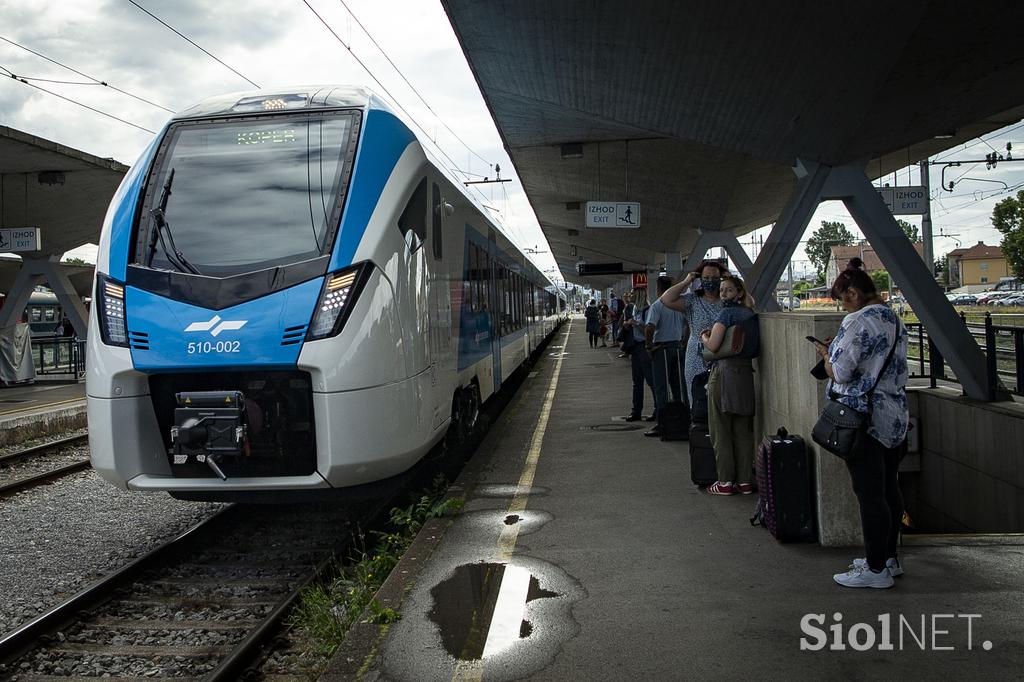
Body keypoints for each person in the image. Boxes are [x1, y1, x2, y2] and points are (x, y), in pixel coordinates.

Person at [812, 257, 909, 589]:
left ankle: (876, 568)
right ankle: (889, 558)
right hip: (894, 415)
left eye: (842, 298)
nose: (842, 306)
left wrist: (827, 358)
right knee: (889, 489)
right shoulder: (893, 318)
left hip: (863, 420)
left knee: (869, 494)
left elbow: (841, 371)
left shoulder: (858, 321)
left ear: (852, 293)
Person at [699, 275, 759, 496]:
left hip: (724, 374)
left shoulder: (726, 314)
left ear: (739, 292)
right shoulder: (750, 315)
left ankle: (724, 481)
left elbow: (714, 346)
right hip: (745, 374)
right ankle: (744, 481)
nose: (723, 294)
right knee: (743, 431)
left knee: (720, 430)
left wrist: (703, 337)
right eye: (722, 290)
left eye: (729, 290)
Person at [660, 260, 728, 405]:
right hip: (696, 356)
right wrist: (686, 282)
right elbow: (666, 299)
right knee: (698, 397)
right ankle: (699, 425)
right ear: (700, 279)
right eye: (706, 278)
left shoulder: (727, 301)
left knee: (722, 399)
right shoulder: (693, 301)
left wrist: (731, 280)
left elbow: (749, 302)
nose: (711, 282)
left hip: (722, 355)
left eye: (715, 278)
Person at [643, 276, 687, 437]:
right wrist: (684, 341)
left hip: (662, 349)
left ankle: (663, 424)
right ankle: (682, 420)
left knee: (662, 389)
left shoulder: (658, 305)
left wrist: (649, 346)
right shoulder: (679, 305)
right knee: (679, 387)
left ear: (658, 289)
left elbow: (649, 328)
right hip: (678, 348)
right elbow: (687, 326)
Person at [622, 288, 656, 421]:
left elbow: (648, 331)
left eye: (632, 294)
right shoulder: (634, 309)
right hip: (635, 347)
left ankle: (657, 410)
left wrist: (635, 324)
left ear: (639, 295)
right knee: (637, 381)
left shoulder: (648, 310)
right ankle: (636, 411)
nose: (629, 295)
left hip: (644, 347)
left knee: (651, 380)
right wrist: (627, 325)